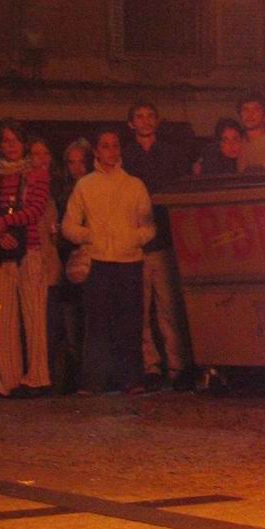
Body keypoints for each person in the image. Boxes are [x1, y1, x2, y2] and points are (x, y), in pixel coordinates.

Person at [62, 127, 155, 395]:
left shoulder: (135, 185)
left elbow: (148, 227)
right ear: (97, 151)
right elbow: (69, 224)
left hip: (129, 262)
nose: (111, 151)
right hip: (98, 262)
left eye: (115, 146)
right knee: (97, 325)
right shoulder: (85, 185)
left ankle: (132, 379)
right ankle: (93, 381)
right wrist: (89, 235)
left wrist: (132, 239)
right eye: (105, 146)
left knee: (130, 323)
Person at [121, 101, 193, 392]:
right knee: (141, 309)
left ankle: (177, 364)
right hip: (135, 243)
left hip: (164, 240)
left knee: (168, 307)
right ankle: (150, 366)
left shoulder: (171, 156)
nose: (145, 121)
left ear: (157, 121)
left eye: (150, 116)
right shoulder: (125, 157)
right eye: (139, 116)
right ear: (131, 123)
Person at [0, 120, 51, 397]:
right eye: (6, 141)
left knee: (33, 315)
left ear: (24, 144)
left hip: (29, 251)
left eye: (15, 141)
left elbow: (35, 209)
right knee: (4, 317)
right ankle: (8, 379)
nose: (10, 146)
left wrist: (4, 223)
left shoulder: (37, 175)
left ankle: (37, 377)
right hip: (1, 254)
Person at [47, 138, 93, 394]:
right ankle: (75, 378)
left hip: (91, 259)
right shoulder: (63, 192)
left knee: (89, 321)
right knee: (70, 322)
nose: (76, 167)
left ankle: (90, 377)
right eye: (71, 162)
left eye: (80, 161)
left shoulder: (93, 190)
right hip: (66, 261)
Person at [28, 137, 63, 394]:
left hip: (50, 267)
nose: (41, 159)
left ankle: (48, 376)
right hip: (31, 264)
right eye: (35, 154)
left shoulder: (55, 193)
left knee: (49, 325)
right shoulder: (25, 191)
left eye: (45, 153)